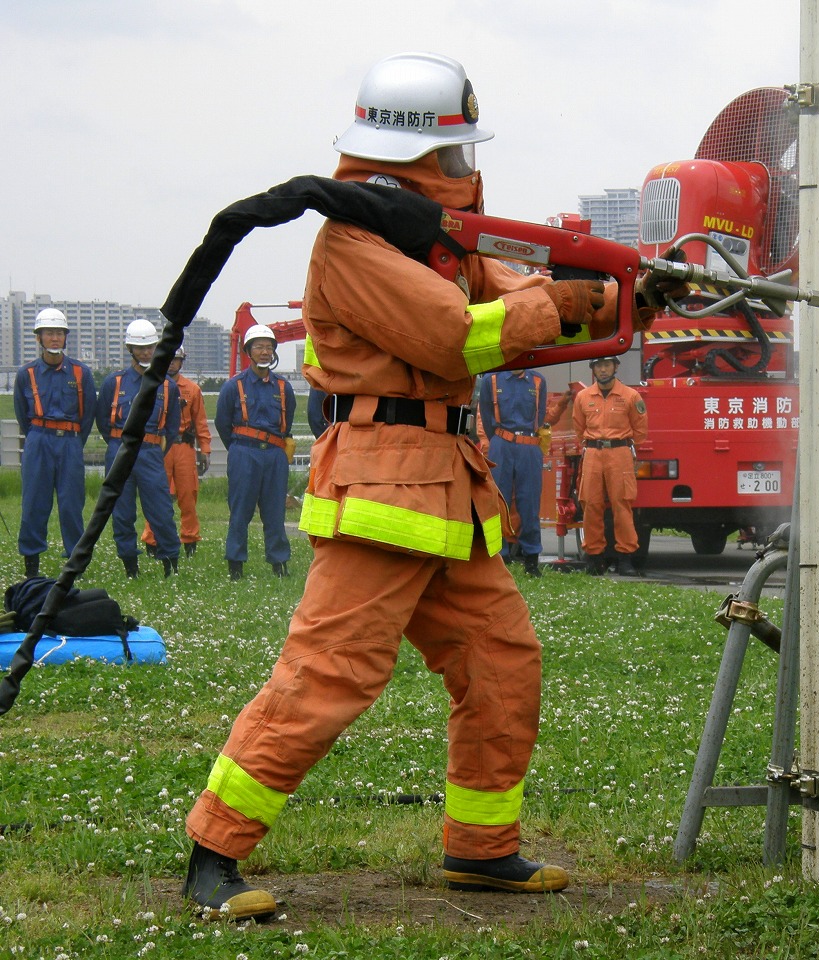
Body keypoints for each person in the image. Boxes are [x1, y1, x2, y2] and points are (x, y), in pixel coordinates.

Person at [181, 51, 677, 920]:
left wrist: (620, 294)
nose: (467, 170)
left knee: (500, 662)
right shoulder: (356, 244)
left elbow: (518, 294)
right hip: (382, 490)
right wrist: (563, 301)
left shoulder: (439, 238)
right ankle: (212, 853)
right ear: (410, 158)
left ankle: (481, 852)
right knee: (331, 672)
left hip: (448, 491)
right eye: (454, 155)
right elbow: (455, 338)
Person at [14, 308, 97, 579]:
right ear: (38, 337)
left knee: (72, 504)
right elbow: (21, 413)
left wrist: (72, 441)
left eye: (59, 333)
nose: (54, 338)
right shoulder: (26, 374)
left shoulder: (81, 372)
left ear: (65, 337)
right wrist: (40, 436)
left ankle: (74, 562)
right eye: (49, 333)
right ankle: (31, 564)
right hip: (38, 440)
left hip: (71, 442)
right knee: (34, 503)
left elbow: (87, 415)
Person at [96, 318, 181, 578]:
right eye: (139, 348)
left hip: (151, 453)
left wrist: (152, 449)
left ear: (156, 348)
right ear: (129, 349)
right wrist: (119, 445)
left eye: (149, 348)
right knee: (121, 511)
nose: (145, 353)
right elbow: (102, 420)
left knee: (161, 510)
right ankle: (130, 566)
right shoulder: (114, 382)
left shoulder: (168, 386)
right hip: (119, 450)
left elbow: (172, 427)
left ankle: (170, 563)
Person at [215, 325, 296, 580]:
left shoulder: (283, 387)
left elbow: (289, 420)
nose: (265, 352)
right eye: (259, 347)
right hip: (244, 453)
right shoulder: (233, 386)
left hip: (274, 454)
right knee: (240, 511)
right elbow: (222, 422)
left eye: (269, 347)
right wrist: (239, 450)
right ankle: (235, 564)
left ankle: (279, 562)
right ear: (248, 351)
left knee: (275, 512)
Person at [572, 355, 648, 576]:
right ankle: (595, 559)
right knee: (591, 504)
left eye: (606, 365)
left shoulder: (631, 396)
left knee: (621, 505)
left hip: (620, 454)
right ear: (593, 369)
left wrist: (623, 445)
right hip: (593, 453)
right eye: (598, 366)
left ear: (615, 367)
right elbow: (579, 427)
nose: (603, 370)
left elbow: (640, 430)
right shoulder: (583, 397)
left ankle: (625, 559)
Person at [142, 346, 211, 558]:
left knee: (188, 495)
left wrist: (205, 450)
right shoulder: (151, 386)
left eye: (176, 359)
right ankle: (152, 540)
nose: (172, 363)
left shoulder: (192, 389)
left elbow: (200, 422)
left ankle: (190, 539)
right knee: (155, 494)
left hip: (184, 447)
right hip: (159, 446)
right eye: (169, 359)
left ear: (182, 362)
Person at [478, 369, 548, 576]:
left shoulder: (537, 380)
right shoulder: (491, 380)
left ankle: (531, 559)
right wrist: (500, 441)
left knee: (530, 502)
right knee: (499, 501)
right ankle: (500, 556)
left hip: (529, 446)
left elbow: (541, 415)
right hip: (501, 444)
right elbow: (485, 412)